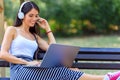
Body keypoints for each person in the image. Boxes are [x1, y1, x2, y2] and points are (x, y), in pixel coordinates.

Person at [0, 1, 120, 80]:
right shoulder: (12, 30)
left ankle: (106, 78)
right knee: (63, 72)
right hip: (19, 71)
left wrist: (48, 29)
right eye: (30, 15)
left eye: (36, 15)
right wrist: (27, 62)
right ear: (22, 15)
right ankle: (105, 78)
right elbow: (3, 54)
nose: (34, 18)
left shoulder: (35, 37)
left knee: (63, 72)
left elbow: (54, 50)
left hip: (33, 70)